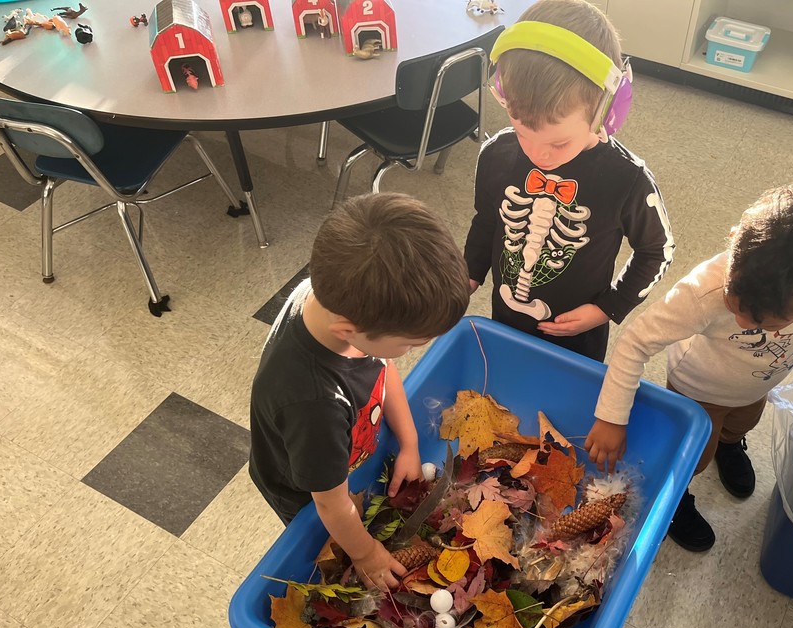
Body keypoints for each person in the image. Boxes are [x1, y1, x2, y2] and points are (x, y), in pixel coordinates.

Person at [586, 184, 793, 551]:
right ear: (734, 241)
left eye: (762, 320)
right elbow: (635, 342)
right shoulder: (703, 291)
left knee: (742, 422)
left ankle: (730, 445)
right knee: (694, 458)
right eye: (735, 304)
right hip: (699, 389)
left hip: (756, 386)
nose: (739, 316)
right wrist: (611, 417)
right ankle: (675, 499)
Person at [249, 193, 470, 589]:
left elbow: (383, 367)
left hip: (340, 451)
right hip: (305, 487)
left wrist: (409, 442)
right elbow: (329, 503)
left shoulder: (337, 300)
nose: (406, 353)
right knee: (324, 539)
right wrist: (367, 553)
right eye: (409, 344)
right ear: (348, 331)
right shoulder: (314, 404)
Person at [464, 0, 674, 362]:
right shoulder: (497, 153)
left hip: (577, 337)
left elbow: (658, 251)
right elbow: (487, 220)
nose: (537, 155)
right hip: (504, 319)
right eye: (521, 130)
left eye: (558, 142)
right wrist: (468, 272)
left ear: (607, 112)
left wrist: (606, 309)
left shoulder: (627, 179)